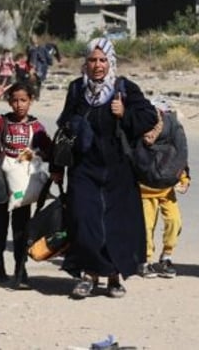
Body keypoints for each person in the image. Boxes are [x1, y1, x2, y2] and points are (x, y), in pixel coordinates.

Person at [56, 37, 157, 299]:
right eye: (92, 60)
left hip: (118, 169)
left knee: (116, 224)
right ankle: (88, 275)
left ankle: (113, 277)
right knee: (84, 219)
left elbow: (149, 118)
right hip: (84, 167)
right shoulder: (77, 89)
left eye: (102, 60)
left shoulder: (125, 89)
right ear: (85, 63)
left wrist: (124, 113)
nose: (97, 65)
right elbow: (64, 126)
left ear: (111, 62)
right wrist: (57, 164)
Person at [0, 81, 53, 289]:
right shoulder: (2, 123)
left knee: (21, 227)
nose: (19, 105)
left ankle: (21, 267)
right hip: (0, 183)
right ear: (9, 102)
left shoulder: (36, 128)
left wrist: (33, 155)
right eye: (15, 100)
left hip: (22, 186)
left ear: (31, 101)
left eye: (23, 100)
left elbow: (48, 150)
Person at [138, 106, 191, 279]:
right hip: (144, 191)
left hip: (167, 190)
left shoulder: (170, 137)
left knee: (174, 222)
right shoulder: (136, 138)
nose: (151, 134)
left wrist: (184, 180)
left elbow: (180, 159)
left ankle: (166, 257)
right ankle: (145, 260)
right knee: (146, 227)